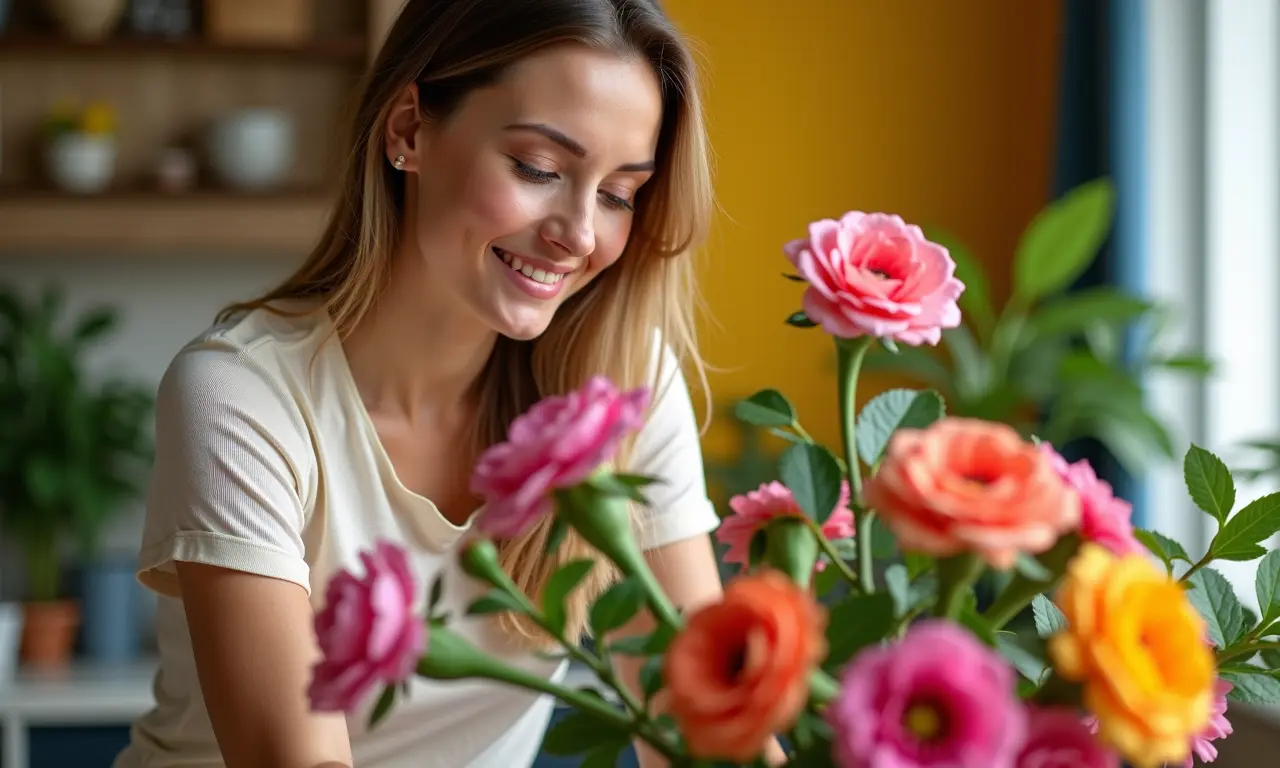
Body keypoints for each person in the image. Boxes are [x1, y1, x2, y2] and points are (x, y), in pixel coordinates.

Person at [111, 1, 758, 767]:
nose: (580, 233)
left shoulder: (620, 385)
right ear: (410, 129)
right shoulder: (241, 397)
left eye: (618, 194)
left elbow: (701, 731)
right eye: (539, 169)